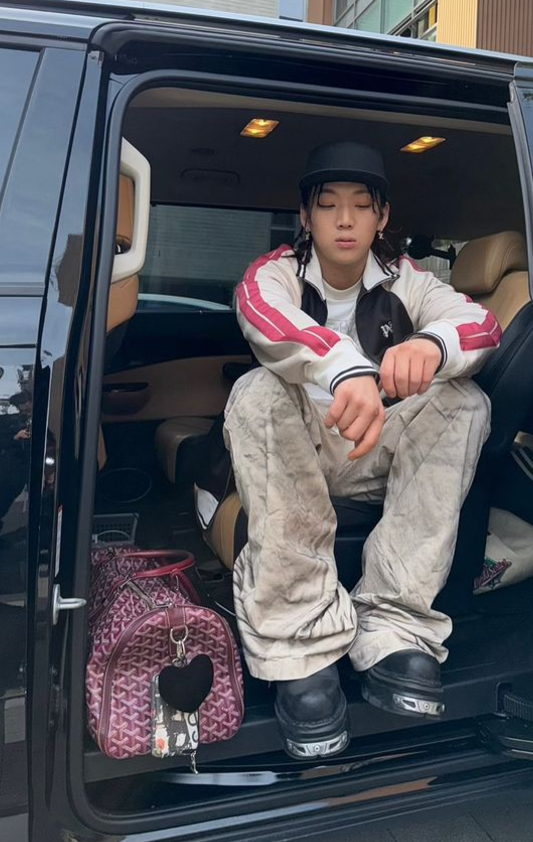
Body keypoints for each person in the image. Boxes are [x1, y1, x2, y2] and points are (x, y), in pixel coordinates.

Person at [223, 141, 500, 760]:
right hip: (303, 452)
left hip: (380, 452)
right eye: (328, 205)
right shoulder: (275, 274)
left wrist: (431, 345)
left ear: (382, 216)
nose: (344, 220)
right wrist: (347, 368)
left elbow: (481, 326)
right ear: (305, 216)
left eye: (360, 206)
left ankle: (394, 626)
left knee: (466, 401)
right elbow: (262, 316)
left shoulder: (410, 280)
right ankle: (300, 643)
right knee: (256, 390)